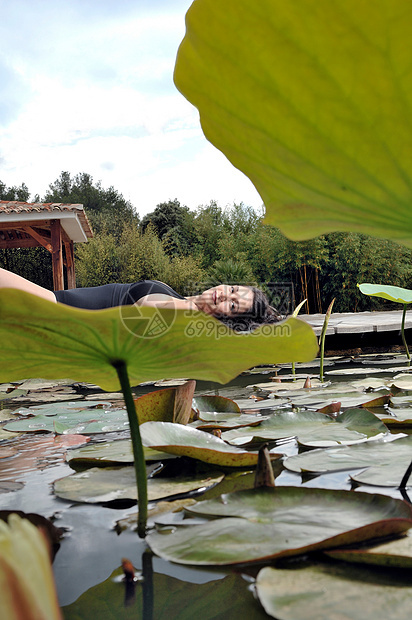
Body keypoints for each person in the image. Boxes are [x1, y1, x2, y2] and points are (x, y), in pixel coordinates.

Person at [0, 268, 282, 331]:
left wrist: (196, 308)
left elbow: (144, 309)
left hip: (54, 312)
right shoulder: (180, 298)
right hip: (53, 302)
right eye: (232, 289)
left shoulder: (182, 313)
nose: (225, 294)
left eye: (232, 305)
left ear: (225, 319)